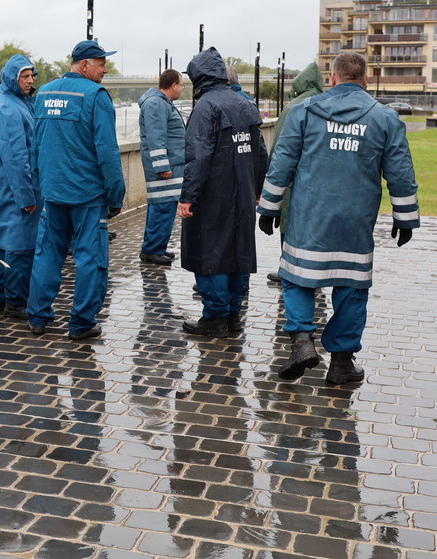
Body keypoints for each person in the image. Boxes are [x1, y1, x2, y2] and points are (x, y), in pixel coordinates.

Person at [257, 51, 420, 384]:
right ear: (366, 80)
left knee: (297, 277)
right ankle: (341, 364)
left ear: (333, 78)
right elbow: (400, 172)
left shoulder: (304, 112)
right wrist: (405, 217)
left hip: (309, 216)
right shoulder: (385, 118)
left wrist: (269, 206)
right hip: (355, 220)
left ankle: (302, 342)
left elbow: (282, 163)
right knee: (351, 286)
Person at [26, 39, 125, 340]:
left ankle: (38, 317)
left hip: (53, 193)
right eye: (101, 64)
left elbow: (36, 146)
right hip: (87, 195)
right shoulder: (96, 96)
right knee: (90, 259)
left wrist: (41, 184)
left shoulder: (44, 93)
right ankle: (81, 323)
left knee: (47, 255)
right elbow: (107, 152)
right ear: (84, 65)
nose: (105, 70)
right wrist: (115, 196)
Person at [178, 47, 268, 338]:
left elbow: (198, 156)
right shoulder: (245, 104)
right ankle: (232, 315)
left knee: (211, 254)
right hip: (243, 194)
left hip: (214, 196)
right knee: (237, 254)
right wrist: (257, 188)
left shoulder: (206, 107)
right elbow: (260, 152)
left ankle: (214, 318)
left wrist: (188, 196)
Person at [0, 55, 40, 317]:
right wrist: (26, 196)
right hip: (14, 190)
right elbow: (16, 157)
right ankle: (15, 302)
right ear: (11, 78)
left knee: (4, 245)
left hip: (7, 188)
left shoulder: (13, 102)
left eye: (31, 76)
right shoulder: (8, 107)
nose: (29, 81)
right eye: (24, 77)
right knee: (19, 246)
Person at [264, 62, 325, 283]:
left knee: (289, 224)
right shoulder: (328, 104)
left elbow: (279, 151)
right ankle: (315, 272)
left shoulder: (293, 108)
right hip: (321, 182)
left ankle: (287, 269)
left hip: (295, 181)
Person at [138, 69, 186, 266]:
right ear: (173, 85)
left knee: (164, 206)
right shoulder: (156, 104)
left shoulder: (160, 102)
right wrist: (162, 165)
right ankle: (152, 250)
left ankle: (156, 246)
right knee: (162, 207)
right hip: (165, 167)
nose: (182, 89)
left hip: (170, 164)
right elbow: (156, 137)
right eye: (181, 85)